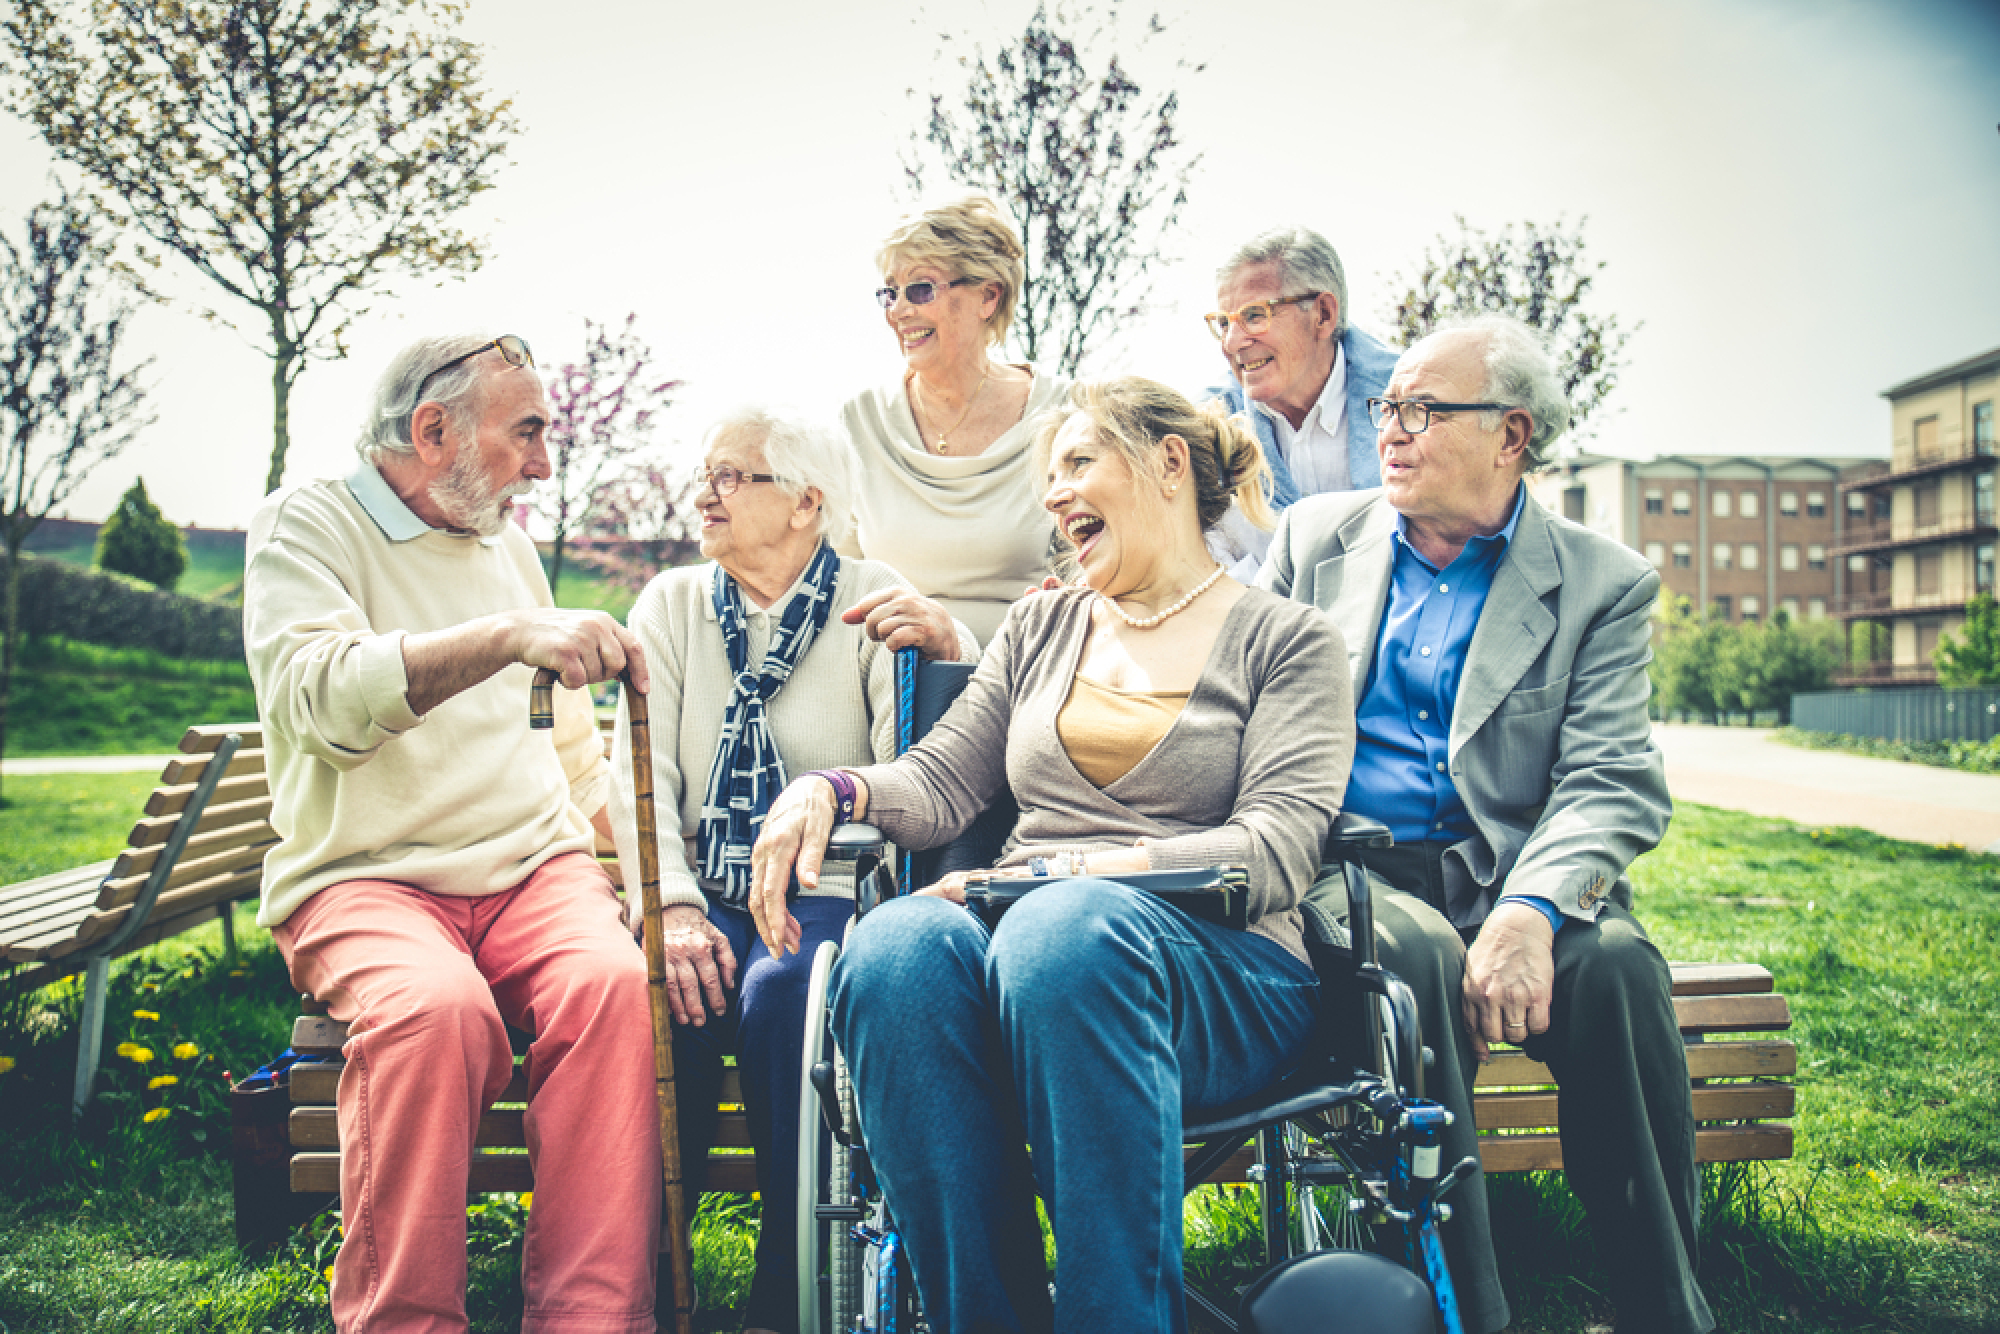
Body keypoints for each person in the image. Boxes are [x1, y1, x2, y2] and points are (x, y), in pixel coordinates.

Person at [750, 378, 1353, 1333]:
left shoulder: (1288, 641)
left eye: (1078, 462)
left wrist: (1067, 874)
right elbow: (943, 780)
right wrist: (834, 788)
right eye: (1048, 475)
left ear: (1167, 464)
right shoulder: (1040, 625)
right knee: (897, 952)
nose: (1054, 493)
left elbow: (1273, 850)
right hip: (1033, 947)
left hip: (1219, 976)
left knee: (1066, 931)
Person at [1262, 313, 1709, 1334]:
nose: (1391, 429)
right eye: (1387, 406)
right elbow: (1217, 678)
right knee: (1410, 954)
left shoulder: (1603, 581)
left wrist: (1529, 912)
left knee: (1621, 971)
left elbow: (1608, 783)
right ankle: (1463, 1311)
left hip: (1521, 872)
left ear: (1509, 435)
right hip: (1354, 874)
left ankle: (1664, 1311)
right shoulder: (1310, 541)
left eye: (1422, 408)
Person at [244, 333, 662, 1333]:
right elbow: (320, 700)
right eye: (527, 433)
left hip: (532, 869)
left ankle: (589, 1320)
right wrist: (509, 635)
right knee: (436, 1014)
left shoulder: (507, 543)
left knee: (610, 988)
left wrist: (649, 884)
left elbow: (567, 750)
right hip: (365, 877)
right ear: (434, 431)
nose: (544, 465)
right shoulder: (307, 528)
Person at [605, 407, 974, 1334]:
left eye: (734, 477)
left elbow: (914, 771)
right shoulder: (673, 604)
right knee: (659, 991)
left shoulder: (871, 597)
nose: (705, 494)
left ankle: (791, 1278)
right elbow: (640, 779)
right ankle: (639, 1284)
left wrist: (943, 649)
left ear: (808, 502)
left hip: (828, 890)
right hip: (701, 889)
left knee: (785, 992)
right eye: (706, 475)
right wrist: (674, 909)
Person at [840, 195, 1073, 645]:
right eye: (889, 292)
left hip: (1022, 672)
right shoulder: (860, 421)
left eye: (921, 289)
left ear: (988, 296)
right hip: (892, 678)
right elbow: (837, 582)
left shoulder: (1067, 414)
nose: (899, 310)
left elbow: (1093, 578)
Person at [1202, 225, 1399, 581]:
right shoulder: (1206, 425)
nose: (1231, 343)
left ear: (1323, 314)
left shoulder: (1413, 403)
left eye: (1254, 315)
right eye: (1222, 323)